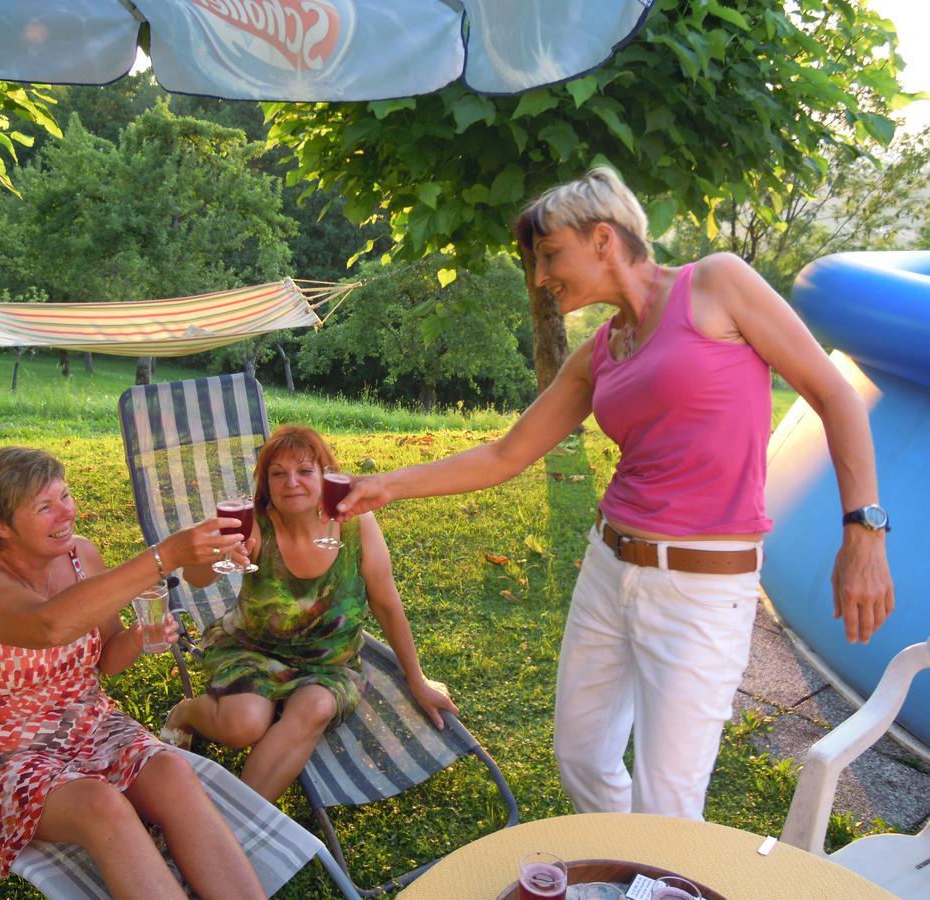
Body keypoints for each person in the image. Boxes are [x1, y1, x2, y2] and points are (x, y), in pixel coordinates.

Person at [334, 167, 895, 820]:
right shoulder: (600, 350)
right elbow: (506, 453)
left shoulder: (715, 284)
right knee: (581, 757)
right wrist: (385, 486)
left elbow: (833, 394)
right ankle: (625, 877)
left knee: (668, 803)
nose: (541, 278)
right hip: (608, 568)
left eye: (549, 255)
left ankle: (655, 881)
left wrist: (864, 532)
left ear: (602, 238)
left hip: (701, 591)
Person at [0, 446, 264, 900]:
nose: (66, 513)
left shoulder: (81, 555)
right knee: (101, 804)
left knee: (171, 771)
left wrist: (140, 638)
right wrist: (168, 553)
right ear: (0, 525)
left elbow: (105, 659)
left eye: (65, 495)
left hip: (87, 723)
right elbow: (48, 625)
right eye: (45, 507)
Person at [161, 425, 457, 803]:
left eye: (304, 471)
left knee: (316, 705)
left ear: (326, 475)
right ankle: (185, 713)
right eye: (278, 473)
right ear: (266, 484)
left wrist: (417, 679)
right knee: (243, 725)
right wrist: (221, 553)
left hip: (328, 662)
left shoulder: (356, 525)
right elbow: (195, 578)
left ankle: (235, 828)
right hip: (253, 649)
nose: (292, 483)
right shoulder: (255, 526)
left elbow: (385, 602)